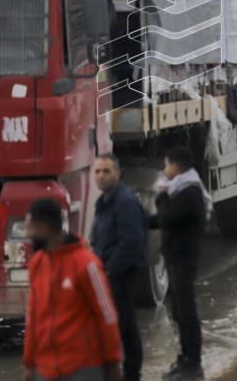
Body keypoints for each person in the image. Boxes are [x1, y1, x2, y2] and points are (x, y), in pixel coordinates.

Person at [23, 198, 122, 381]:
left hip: (84, 367)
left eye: (30, 227)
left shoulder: (86, 263)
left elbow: (106, 313)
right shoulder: (37, 264)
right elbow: (33, 316)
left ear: (44, 227)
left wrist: (113, 361)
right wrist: (29, 363)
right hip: (47, 369)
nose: (28, 235)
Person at [150, 146, 212, 380]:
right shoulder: (183, 189)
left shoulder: (189, 191)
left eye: (167, 165)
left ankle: (193, 363)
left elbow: (167, 218)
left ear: (176, 166)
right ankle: (185, 358)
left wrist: (161, 195)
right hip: (177, 257)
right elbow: (164, 219)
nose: (165, 170)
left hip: (184, 258)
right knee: (178, 310)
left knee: (186, 311)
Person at [91, 154, 148, 381]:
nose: (101, 176)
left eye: (106, 171)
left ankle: (132, 374)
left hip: (122, 274)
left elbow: (132, 241)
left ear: (118, 174)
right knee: (113, 326)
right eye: (98, 171)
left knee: (125, 325)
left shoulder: (125, 202)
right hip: (109, 273)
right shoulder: (104, 202)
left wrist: (110, 269)